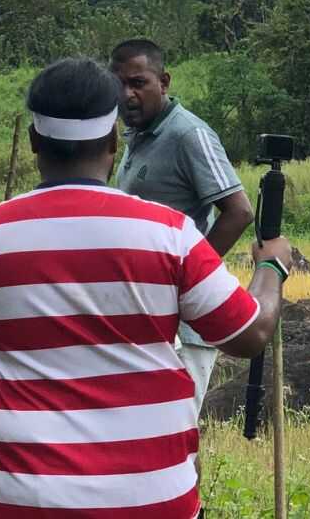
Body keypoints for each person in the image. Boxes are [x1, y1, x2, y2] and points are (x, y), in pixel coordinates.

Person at [0, 58, 290, 518]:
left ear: (33, 142)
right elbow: (249, 334)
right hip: (156, 504)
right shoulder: (171, 235)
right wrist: (271, 268)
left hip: (30, 504)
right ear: (112, 141)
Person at [110, 38, 255, 436]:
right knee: (143, 436)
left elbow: (239, 211)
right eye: (119, 84)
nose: (127, 94)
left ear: (164, 81)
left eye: (138, 83)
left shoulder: (188, 134)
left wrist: (186, 281)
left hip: (182, 324)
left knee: (173, 435)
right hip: (146, 313)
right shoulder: (137, 136)